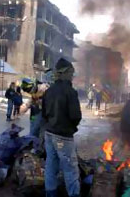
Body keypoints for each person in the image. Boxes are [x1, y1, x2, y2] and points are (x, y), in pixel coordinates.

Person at [42, 58, 82, 197]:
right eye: (71, 72)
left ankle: (50, 194)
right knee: (70, 169)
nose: (72, 76)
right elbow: (76, 116)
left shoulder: (49, 91)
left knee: (50, 166)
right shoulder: (70, 92)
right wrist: (69, 128)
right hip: (63, 135)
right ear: (65, 73)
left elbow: (44, 113)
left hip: (49, 133)